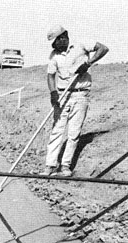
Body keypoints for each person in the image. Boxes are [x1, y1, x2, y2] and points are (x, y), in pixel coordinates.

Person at [41, 25, 108, 176]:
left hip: (80, 95)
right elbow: (50, 76)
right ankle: (50, 165)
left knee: (73, 133)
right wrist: (53, 93)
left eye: (58, 40)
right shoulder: (54, 56)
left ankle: (65, 166)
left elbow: (103, 48)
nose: (57, 44)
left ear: (65, 36)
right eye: (54, 42)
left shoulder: (81, 45)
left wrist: (88, 63)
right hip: (62, 95)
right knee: (57, 130)